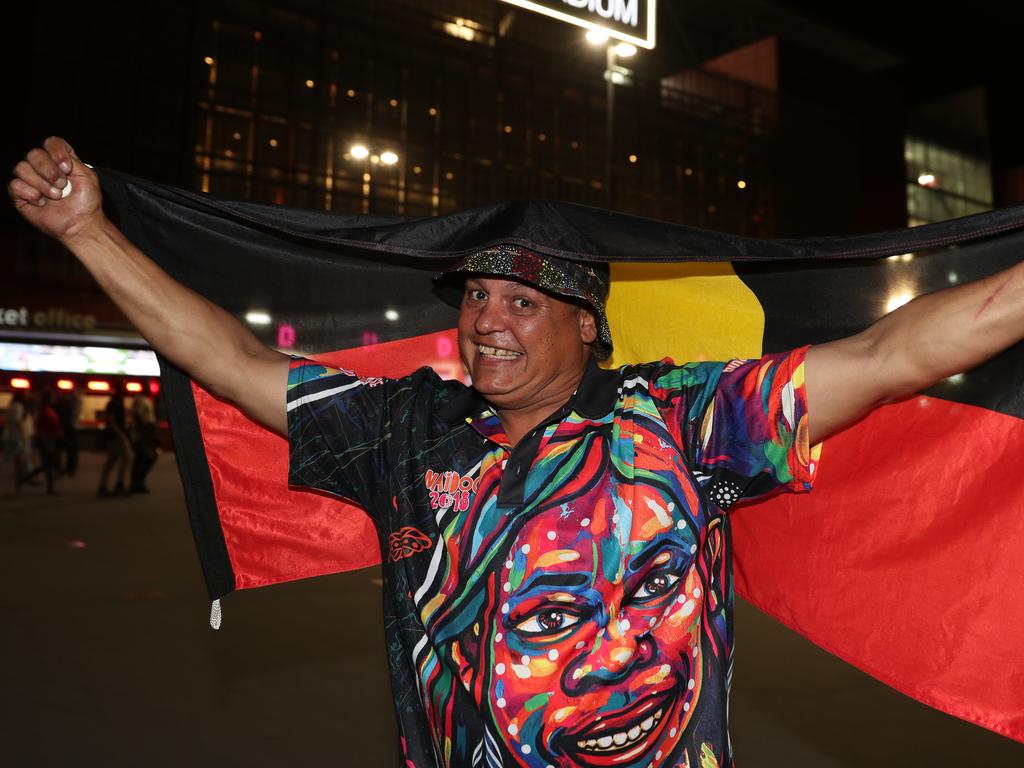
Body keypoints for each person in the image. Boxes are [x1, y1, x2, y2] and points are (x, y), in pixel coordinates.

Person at [9, 137, 1024, 767]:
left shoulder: (678, 420)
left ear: (587, 325)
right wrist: (89, 233)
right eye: (476, 299)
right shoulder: (406, 428)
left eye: (521, 301)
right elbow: (227, 358)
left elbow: (895, 352)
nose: (486, 321)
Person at [19, 390, 63, 495]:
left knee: (47, 465)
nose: (54, 399)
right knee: (48, 465)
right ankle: (48, 487)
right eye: (53, 397)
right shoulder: (45, 411)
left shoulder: (49, 410)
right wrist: (45, 442)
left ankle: (25, 478)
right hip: (47, 440)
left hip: (51, 439)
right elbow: (41, 428)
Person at [98, 394, 132, 497]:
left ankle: (105, 486)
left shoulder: (115, 404)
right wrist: (121, 434)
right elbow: (111, 420)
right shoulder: (114, 404)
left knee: (114, 460)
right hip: (115, 436)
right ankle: (118, 485)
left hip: (115, 436)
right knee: (126, 457)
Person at [129, 396, 160, 493]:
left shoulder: (147, 400)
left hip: (147, 432)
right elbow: (138, 417)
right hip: (143, 433)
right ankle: (136, 484)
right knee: (142, 459)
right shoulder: (139, 400)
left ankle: (139, 482)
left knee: (147, 458)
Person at [2, 392, 30, 495]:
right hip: (16, 437)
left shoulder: (10, 406)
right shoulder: (19, 406)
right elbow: (17, 421)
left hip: (9, 435)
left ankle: (19, 482)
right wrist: (23, 435)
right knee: (20, 460)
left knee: (16, 460)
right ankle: (20, 483)